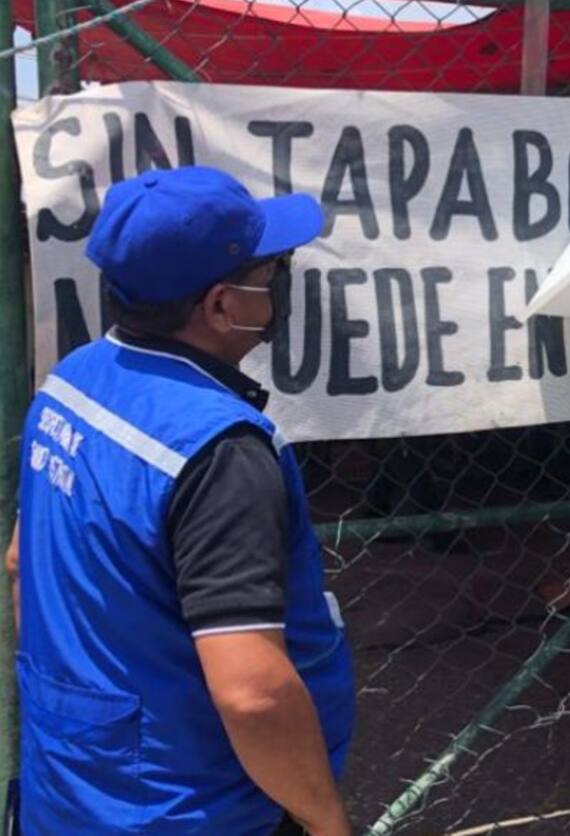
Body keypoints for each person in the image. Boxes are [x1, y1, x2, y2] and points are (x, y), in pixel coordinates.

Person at [7, 167, 354, 835]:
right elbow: (251, 693)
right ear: (222, 306)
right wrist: (327, 823)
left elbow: (22, 563)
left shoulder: (71, 381)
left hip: (70, 792)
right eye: (269, 271)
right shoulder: (218, 449)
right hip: (193, 811)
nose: (279, 284)